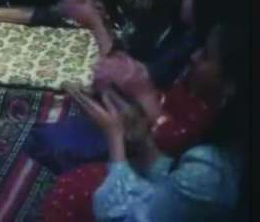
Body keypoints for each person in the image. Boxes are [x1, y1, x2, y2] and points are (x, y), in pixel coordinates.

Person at [41, 23, 249, 222]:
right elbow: (174, 180)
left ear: (230, 86)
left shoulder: (211, 171)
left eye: (206, 56)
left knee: (66, 168)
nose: (194, 57)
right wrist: (144, 143)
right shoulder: (223, 132)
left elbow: (128, 216)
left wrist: (115, 135)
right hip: (151, 183)